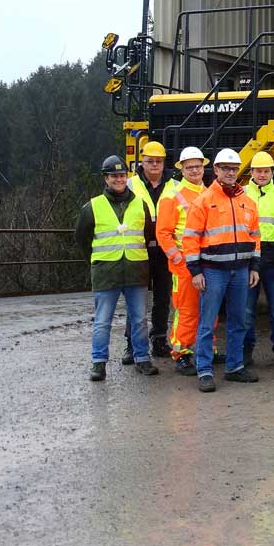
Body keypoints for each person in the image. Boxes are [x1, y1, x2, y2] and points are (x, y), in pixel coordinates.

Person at [183, 148, 261, 392]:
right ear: (215, 170)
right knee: (207, 322)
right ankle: (204, 370)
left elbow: (256, 236)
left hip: (241, 271)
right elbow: (190, 238)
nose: (230, 172)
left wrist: (254, 267)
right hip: (213, 271)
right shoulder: (203, 201)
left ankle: (234, 367)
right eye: (225, 168)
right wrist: (195, 271)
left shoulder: (247, 202)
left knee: (239, 321)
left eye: (234, 168)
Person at [76, 155, 159, 381]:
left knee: (140, 318)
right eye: (114, 176)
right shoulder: (92, 207)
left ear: (127, 177)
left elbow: (148, 235)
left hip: (136, 271)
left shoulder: (140, 204)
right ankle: (98, 363)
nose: (119, 179)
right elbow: (82, 238)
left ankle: (142, 358)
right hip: (106, 272)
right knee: (103, 320)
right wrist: (95, 261)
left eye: (122, 175)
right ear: (106, 178)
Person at [124, 140, 178, 360]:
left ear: (164, 162)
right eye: (150, 161)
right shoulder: (130, 184)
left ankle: (159, 341)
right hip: (139, 249)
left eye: (159, 161)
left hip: (165, 249)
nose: (154, 165)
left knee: (162, 299)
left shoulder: (175, 185)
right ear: (142, 162)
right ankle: (132, 345)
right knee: (135, 299)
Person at [155, 146, 207, 376]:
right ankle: (182, 353)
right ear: (182, 170)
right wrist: (178, 259)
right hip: (185, 266)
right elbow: (163, 233)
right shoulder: (171, 195)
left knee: (209, 310)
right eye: (190, 167)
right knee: (186, 311)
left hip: (208, 263)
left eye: (198, 166)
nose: (195, 170)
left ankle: (207, 348)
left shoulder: (209, 193)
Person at [243, 151, 274, 370]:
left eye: (266, 171)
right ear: (251, 172)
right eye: (258, 171)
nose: (262, 175)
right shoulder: (241, 194)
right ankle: (245, 352)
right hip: (247, 260)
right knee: (245, 310)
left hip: (273, 259)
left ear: (272, 172)